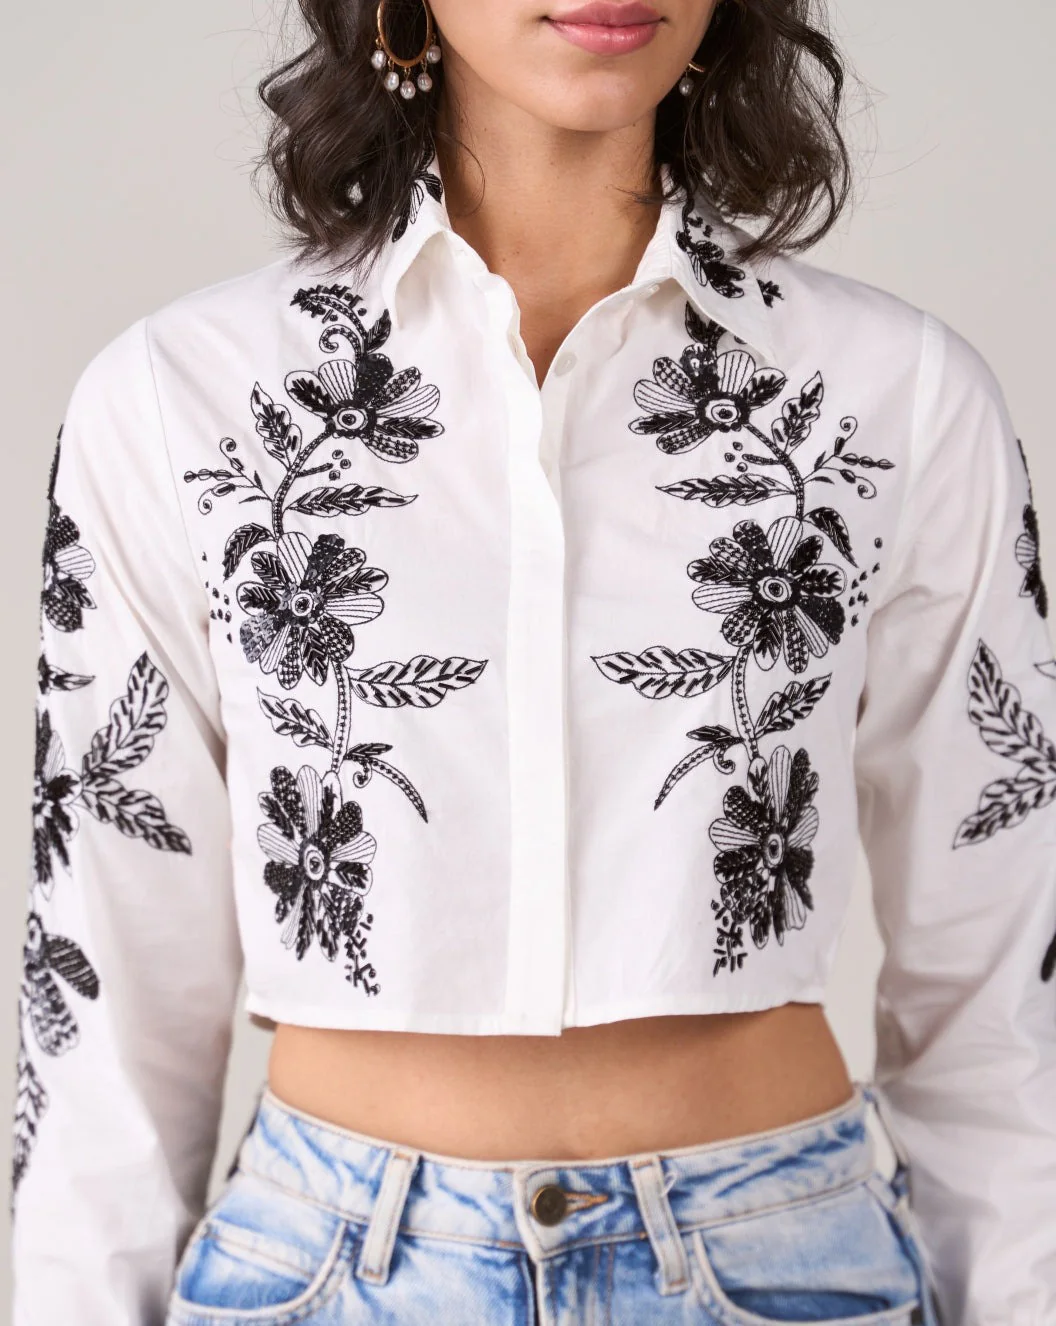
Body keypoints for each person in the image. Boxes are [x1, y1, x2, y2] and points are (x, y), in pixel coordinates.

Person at [11, 0, 1056, 1322]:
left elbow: (1004, 983)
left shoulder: (897, 395)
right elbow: (104, 989)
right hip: (327, 1276)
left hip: (784, 1268)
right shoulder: (180, 400)